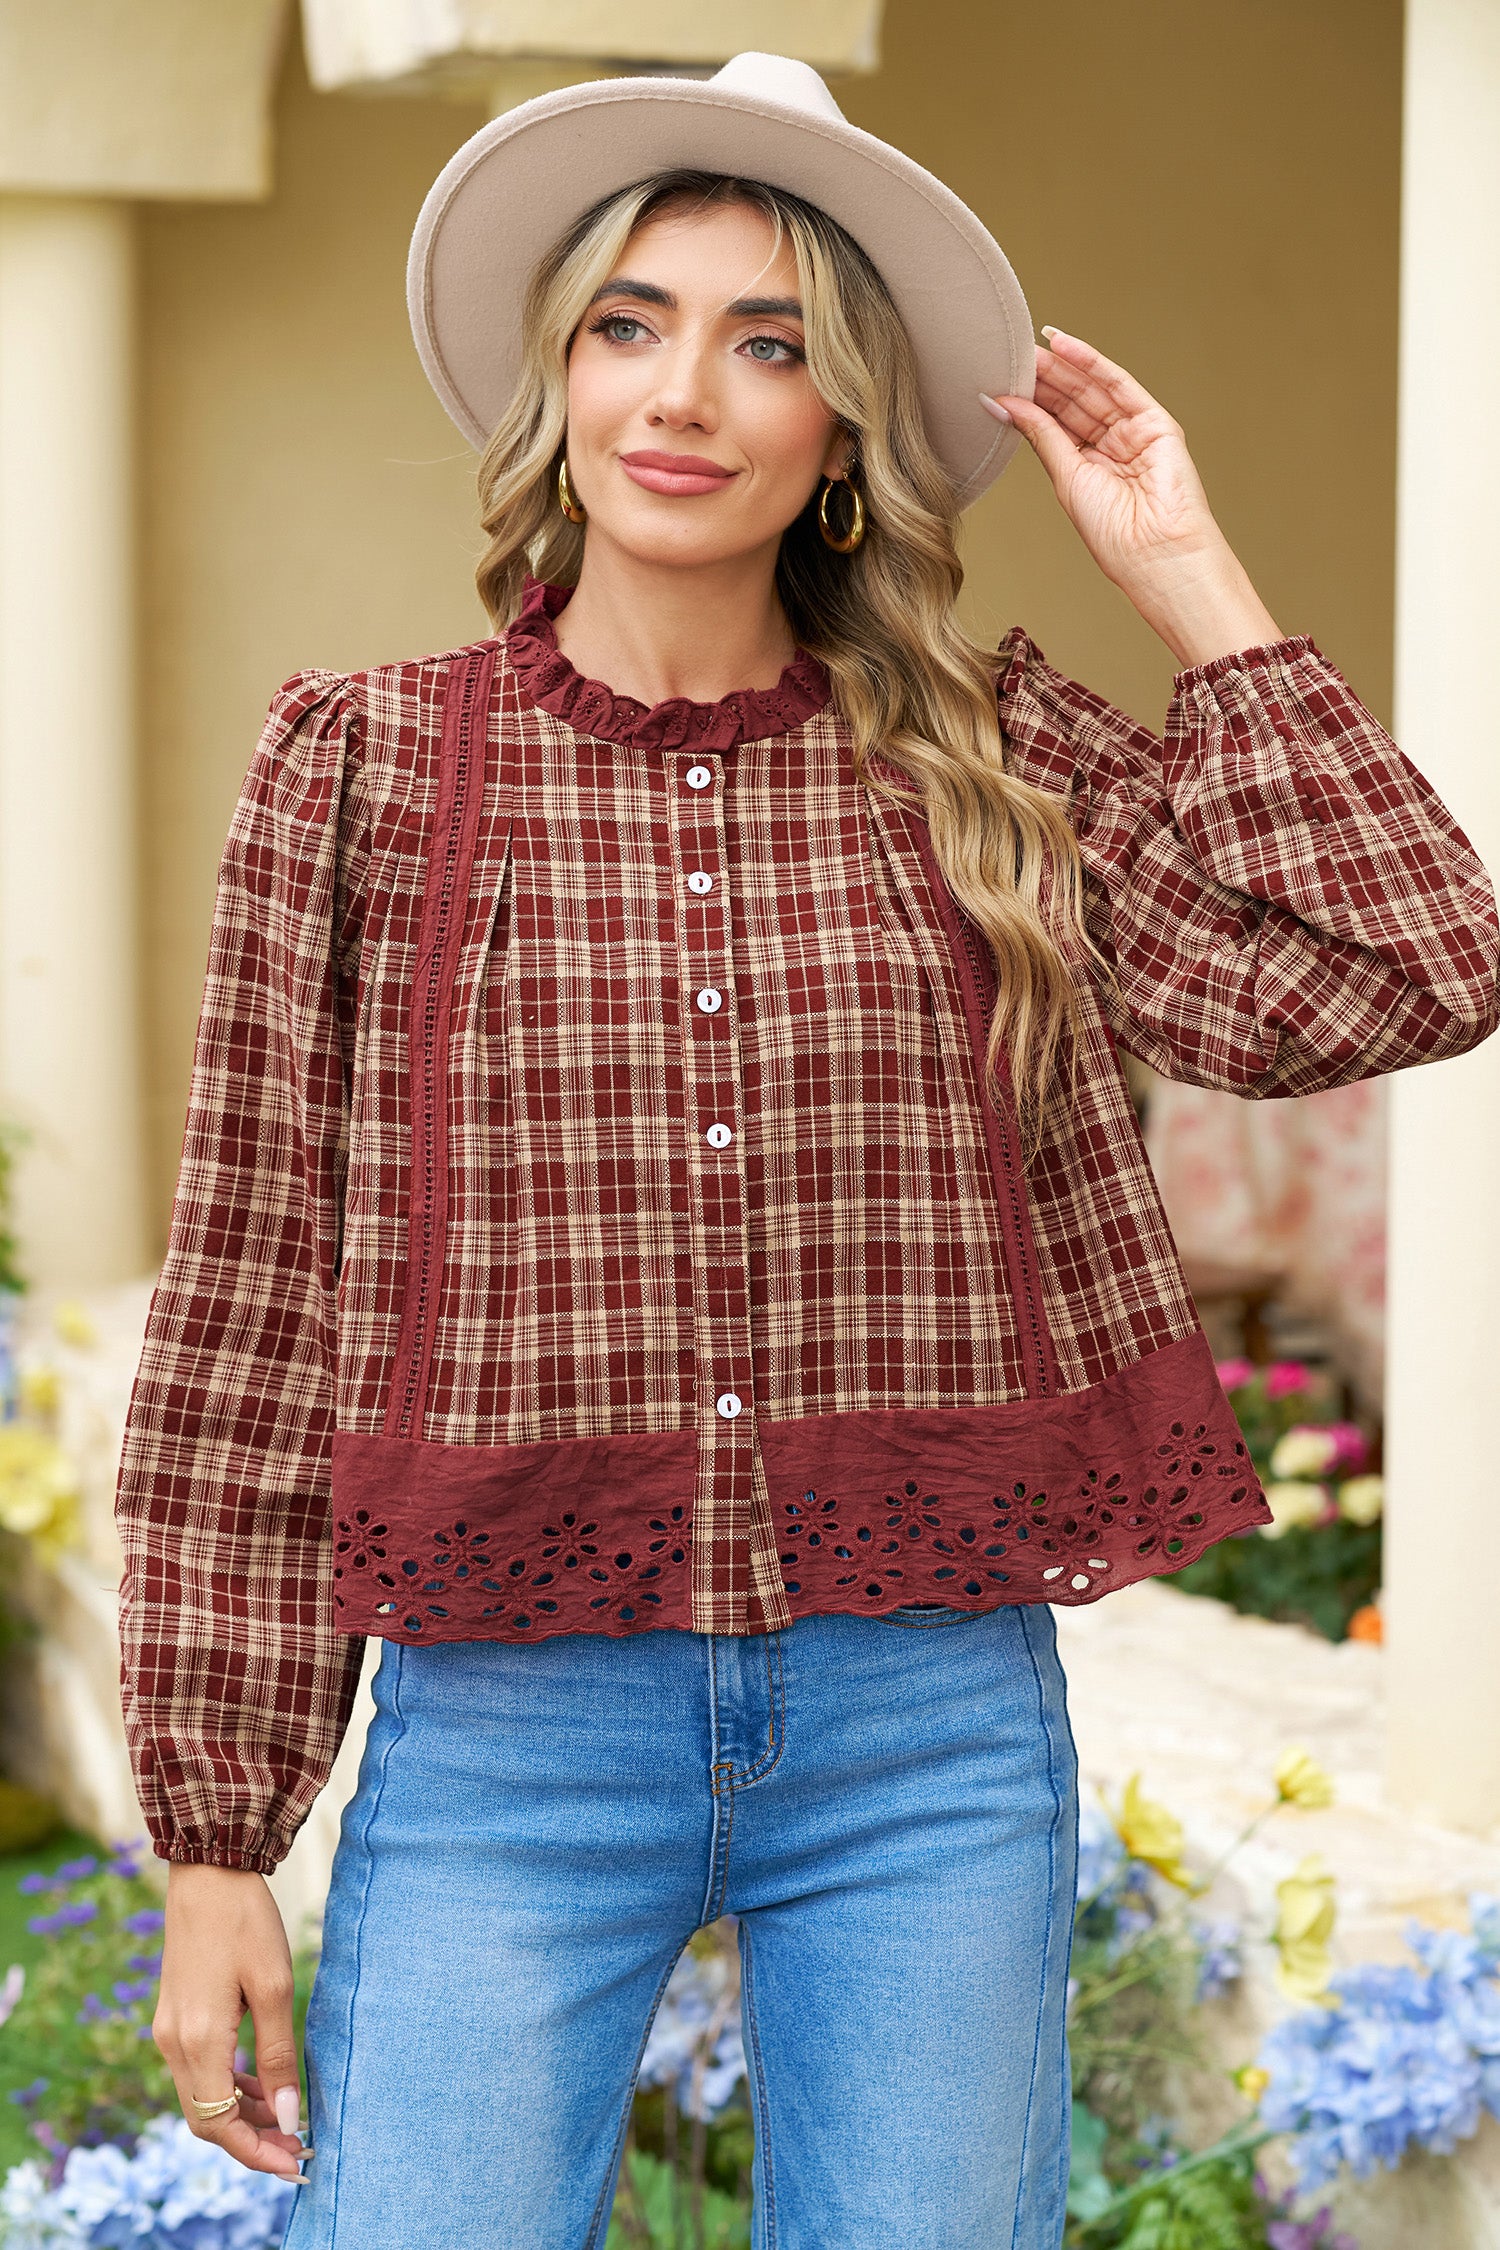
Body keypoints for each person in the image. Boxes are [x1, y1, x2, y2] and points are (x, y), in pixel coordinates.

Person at [114, 52, 1499, 2250]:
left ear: (844, 429)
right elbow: (254, 1307)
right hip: (505, 1743)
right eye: (630, 324)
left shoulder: (999, 771)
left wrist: (1192, 578)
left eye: (770, 345)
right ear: (561, 379)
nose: (685, 393)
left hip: (923, 1736)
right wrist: (215, 1843)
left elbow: (1413, 969)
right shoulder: (363, 771)